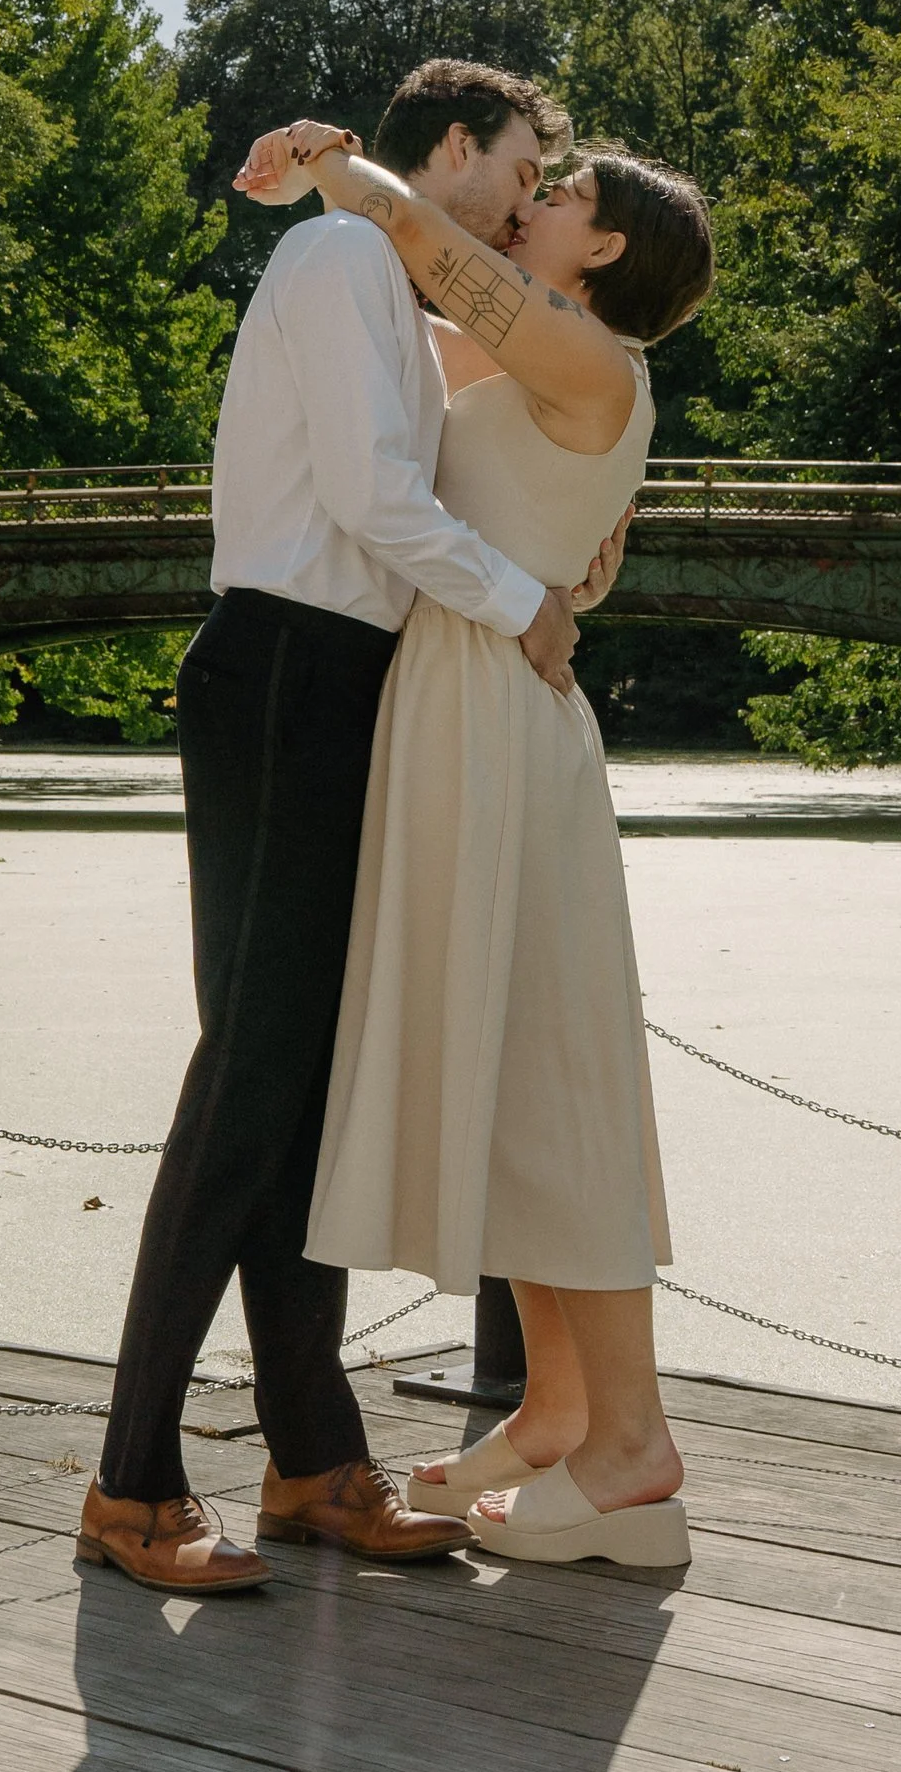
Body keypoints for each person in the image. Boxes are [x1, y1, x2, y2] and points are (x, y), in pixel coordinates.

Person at [78, 59, 587, 1594]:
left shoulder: (392, 271)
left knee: (298, 1089)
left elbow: (519, 396)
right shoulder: (339, 253)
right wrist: (522, 610)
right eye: (515, 164)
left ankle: (310, 1459)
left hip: (341, 687)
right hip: (285, 671)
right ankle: (130, 1482)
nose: (518, 198)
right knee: (247, 1083)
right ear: (450, 144)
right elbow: (369, 494)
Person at [235, 116, 715, 1573]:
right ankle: (564, 1407)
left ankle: (632, 1447)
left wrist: (333, 164)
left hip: (506, 712)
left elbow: (423, 247)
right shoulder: (525, 363)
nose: (539, 202)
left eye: (561, 194)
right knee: (515, 1061)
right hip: (462, 699)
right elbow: (395, 367)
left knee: (556, 1067)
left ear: (608, 246)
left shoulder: (590, 357)